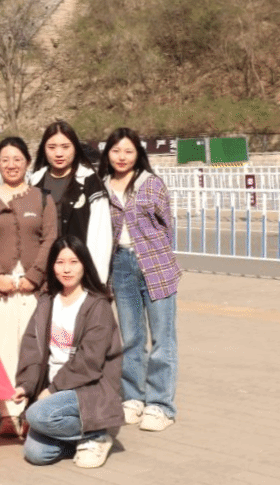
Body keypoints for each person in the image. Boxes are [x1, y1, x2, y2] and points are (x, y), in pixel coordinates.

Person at [12, 236, 124, 468]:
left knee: (37, 415)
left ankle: (98, 434)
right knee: (36, 453)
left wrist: (52, 390)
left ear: (84, 264)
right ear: (52, 266)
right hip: (55, 390)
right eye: (60, 262)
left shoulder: (97, 306)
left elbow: (89, 361)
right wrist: (26, 385)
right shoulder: (47, 302)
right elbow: (32, 348)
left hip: (87, 388)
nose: (66, 269)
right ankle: (81, 440)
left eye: (73, 262)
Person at [99, 127, 180, 432]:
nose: (122, 157)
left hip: (155, 265)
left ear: (138, 154)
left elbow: (167, 226)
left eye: (128, 151)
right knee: (131, 338)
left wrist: (158, 256)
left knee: (162, 338)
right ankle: (133, 397)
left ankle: (161, 405)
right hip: (121, 265)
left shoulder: (151, 184)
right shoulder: (102, 187)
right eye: (116, 150)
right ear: (108, 153)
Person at [0, 136, 58, 438]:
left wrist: (35, 275)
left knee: (32, 348)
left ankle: (29, 410)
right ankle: (6, 413)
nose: (11, 165)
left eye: (17, 159)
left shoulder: (42, 199)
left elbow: (50, 238)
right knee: (1, 348)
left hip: (32, 286)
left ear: (27, 162)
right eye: (5, 159)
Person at [31, 121, 112, 282]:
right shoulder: (35, 181)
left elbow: (101, 236)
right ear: (43, 149)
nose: (58, 153)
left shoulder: (89, 182)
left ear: (75, 148)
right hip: (44, 273)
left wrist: (97, 279)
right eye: (52, 147)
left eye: (65, 147)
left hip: (79, 272)